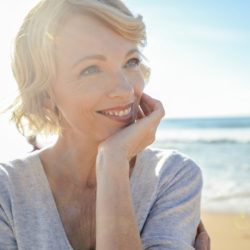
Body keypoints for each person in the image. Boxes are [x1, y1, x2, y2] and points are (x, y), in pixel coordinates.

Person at [0, 0, 210, 249]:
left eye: (131, 61)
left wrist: (113, 161)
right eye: (91, 70)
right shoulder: (7, 191)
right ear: (45, 94)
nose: (125, 90)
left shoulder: (172, 176)